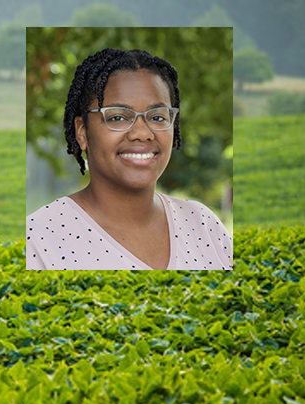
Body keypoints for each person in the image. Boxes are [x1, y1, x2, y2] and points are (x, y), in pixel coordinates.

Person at [26, 48, 232, 270]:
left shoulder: (203, 225)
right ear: (82, 132)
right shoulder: (39, 238)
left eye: (157, 117)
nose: (142, 133)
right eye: (117, 117)